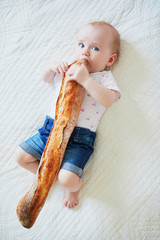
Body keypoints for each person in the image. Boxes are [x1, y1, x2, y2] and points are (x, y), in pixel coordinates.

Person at [15, 21, 121, 209]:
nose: (85, 52)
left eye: (95, 48)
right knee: (20, 157)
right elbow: (45, 78)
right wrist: (53, 67)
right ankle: (49, 177)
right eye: (81, 45)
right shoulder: (69, 68)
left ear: (110, 60)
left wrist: (86, 80)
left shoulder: (104, 78)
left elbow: (108, 100)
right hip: (51, 129)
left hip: (79, 139)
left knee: (68, 179)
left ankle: (73, 188)